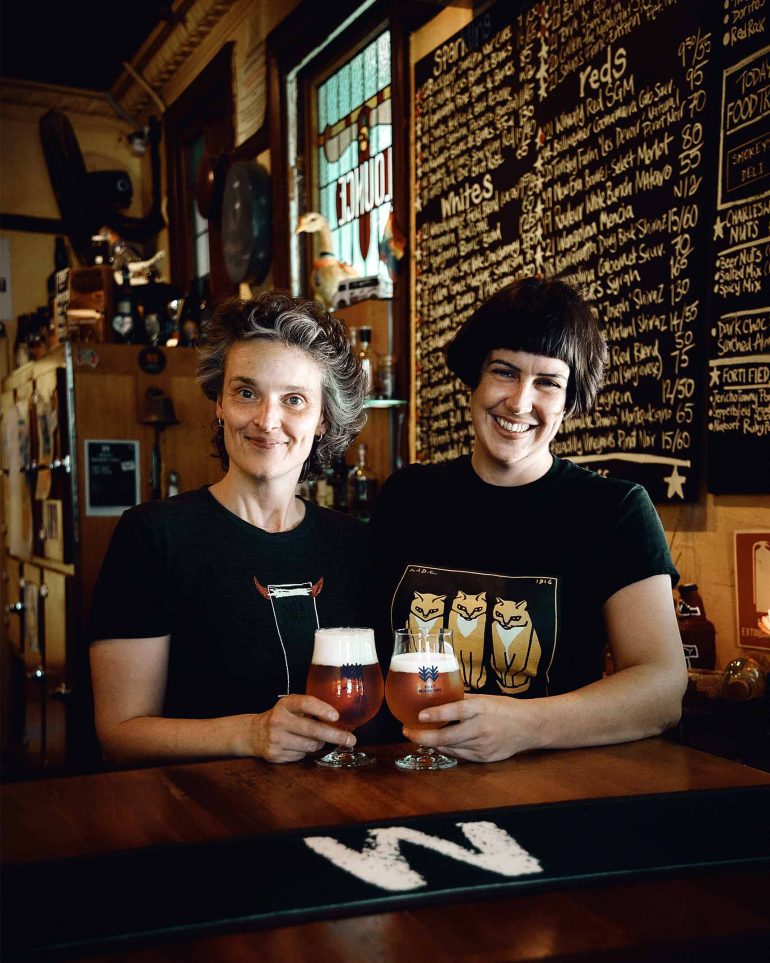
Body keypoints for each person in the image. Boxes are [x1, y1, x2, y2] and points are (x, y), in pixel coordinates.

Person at [371, 275, 688, 763]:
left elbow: (663, 688)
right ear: (473, 378)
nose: (519, 402)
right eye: (504, 371)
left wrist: (527, 725)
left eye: (547, 382)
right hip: (404, 779)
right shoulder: (408, 496)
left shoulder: (615, 510)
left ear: (570, 401)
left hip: (549, 790)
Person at [90, 292, 372, 766]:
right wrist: (252, 733)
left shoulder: (357, 545)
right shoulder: (153, 537)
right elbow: (119, 733)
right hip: (204, 820)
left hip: (343, 816)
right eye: (246, 393)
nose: (266, 420)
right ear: (219, 403)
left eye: (295, 400)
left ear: (323, 420)